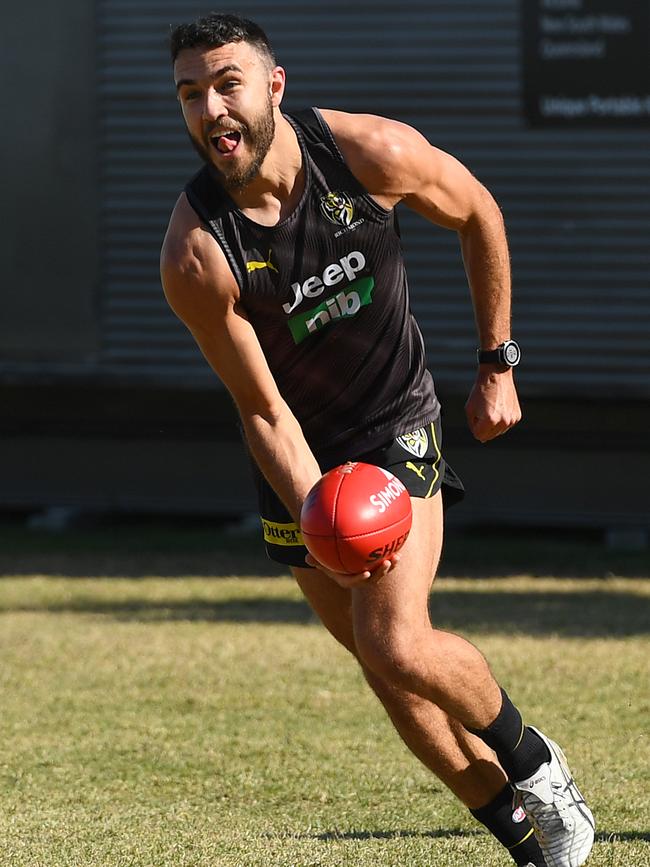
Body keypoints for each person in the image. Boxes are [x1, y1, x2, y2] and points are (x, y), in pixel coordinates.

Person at [160, 13, 595, 867]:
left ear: (274, 88)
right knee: (382, 664)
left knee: (398, 637)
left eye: (226, 84)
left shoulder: (368, 155)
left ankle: (536, 762)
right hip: (301, 461)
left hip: (394, 421)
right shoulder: (196, 253)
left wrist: (497, 364)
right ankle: (523, 837)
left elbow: (478, 213)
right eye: (189, 93)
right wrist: (314, 501)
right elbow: (261, 410)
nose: (210, 107)